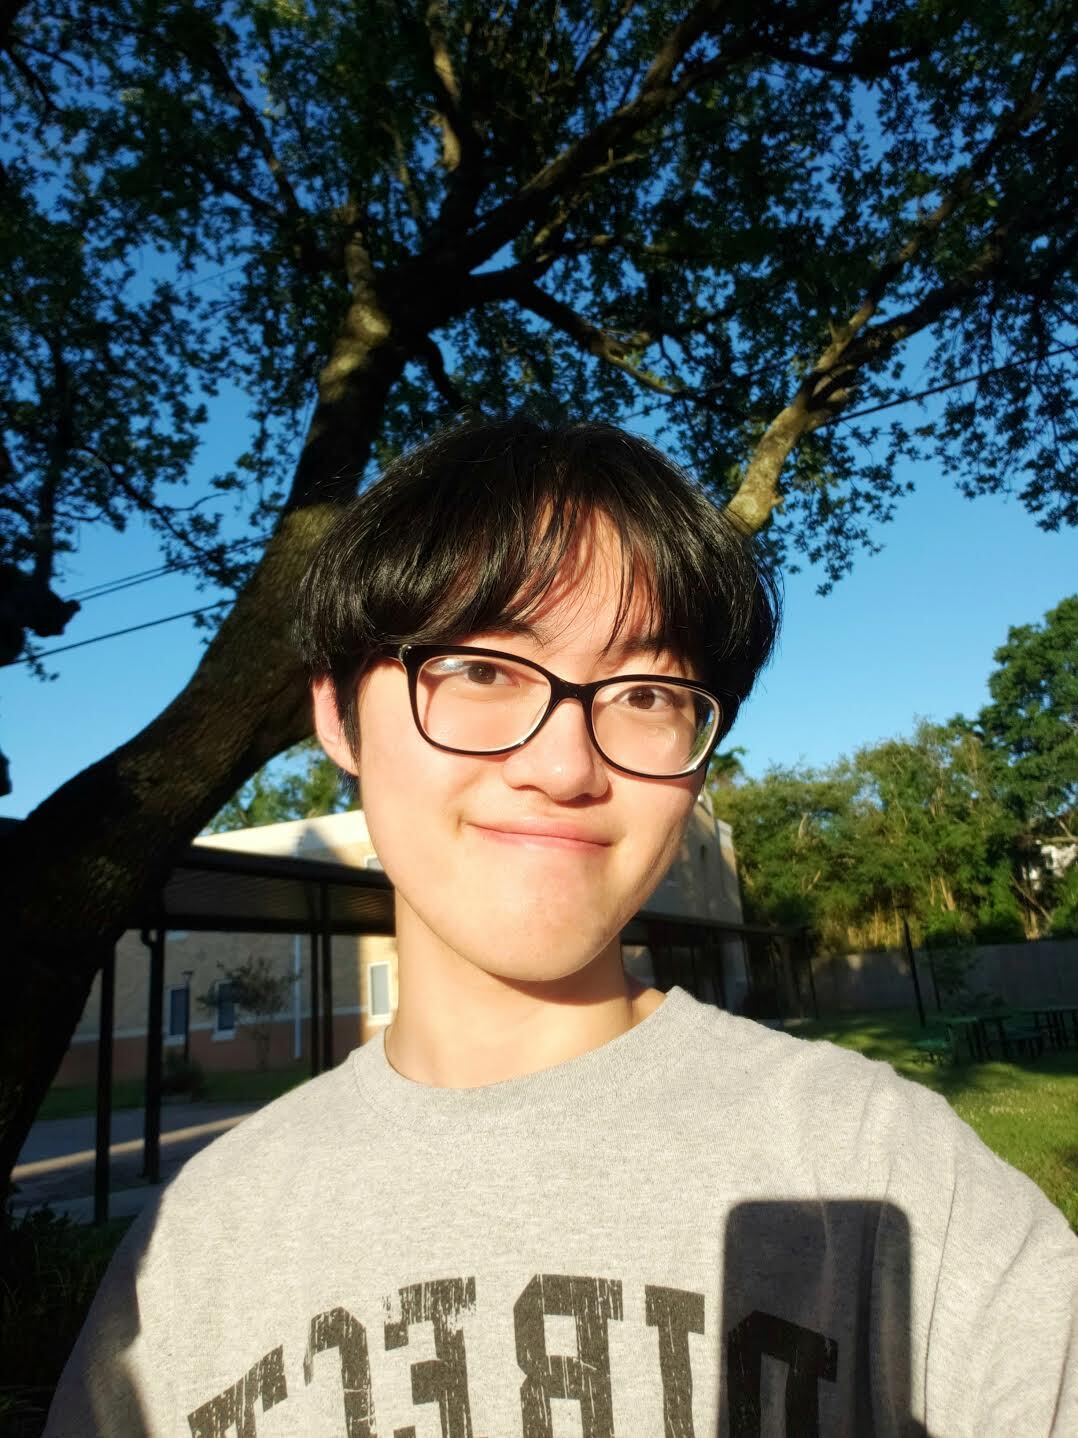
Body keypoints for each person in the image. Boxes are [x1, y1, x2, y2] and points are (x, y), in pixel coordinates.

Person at [47, 417, 1075, 1436]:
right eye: (482, 669)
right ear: (336, 714)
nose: (566, 766)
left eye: (646, 692)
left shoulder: (878, 1177)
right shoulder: (193, 1248)